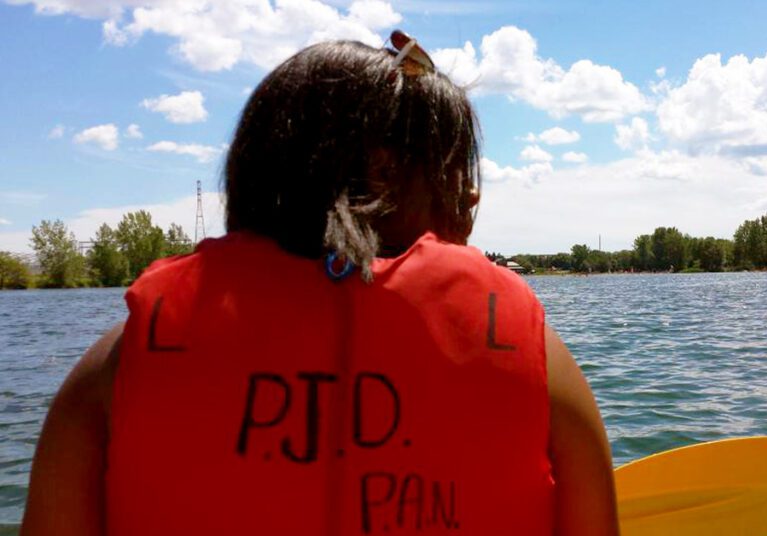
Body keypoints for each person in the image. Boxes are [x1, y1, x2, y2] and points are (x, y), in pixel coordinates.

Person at [20, 32, 618, 535]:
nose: (471, 192)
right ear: (383, 169)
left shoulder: (115, 366)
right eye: (454, 165)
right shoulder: (532, 355)